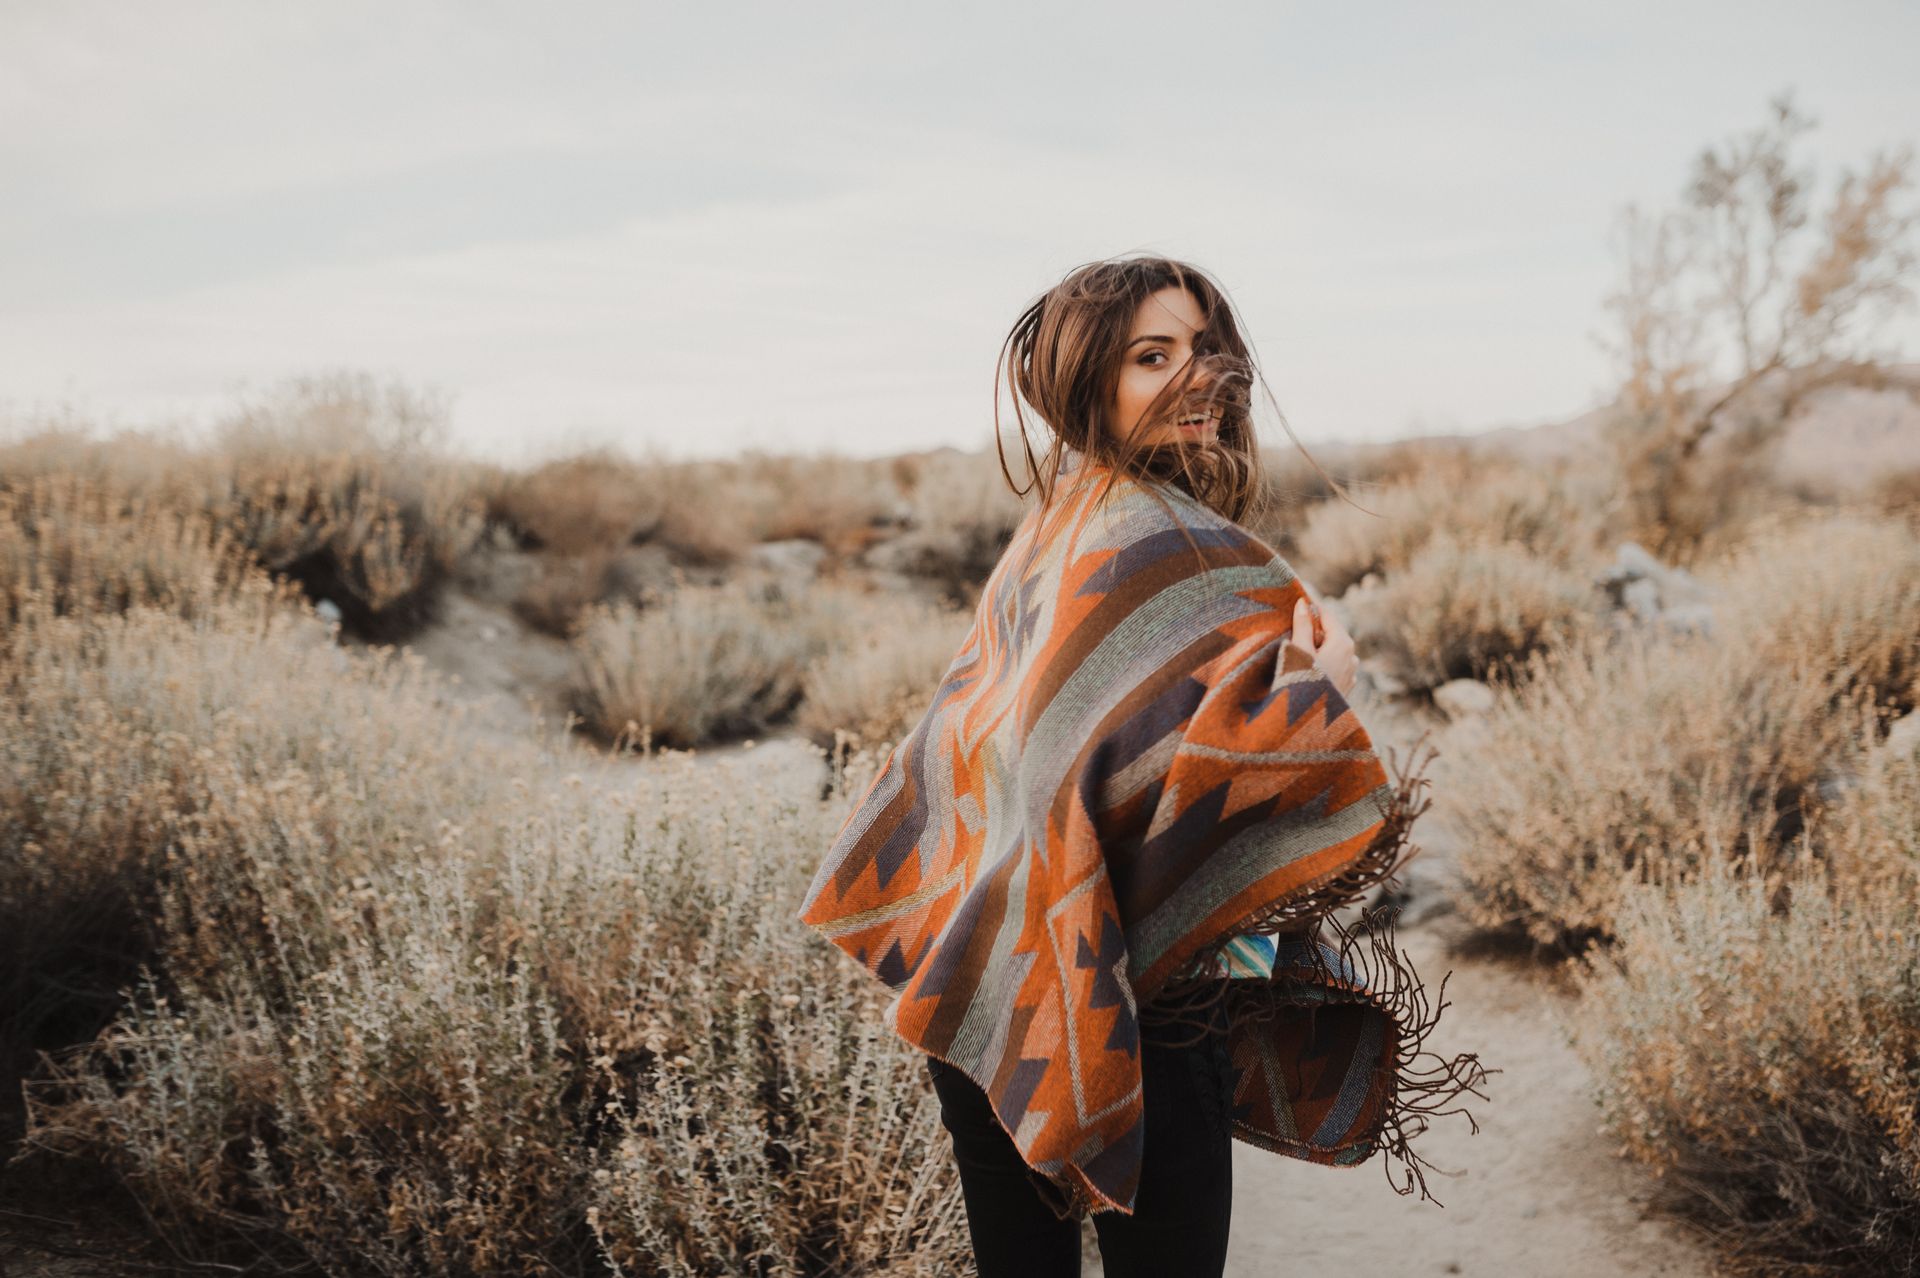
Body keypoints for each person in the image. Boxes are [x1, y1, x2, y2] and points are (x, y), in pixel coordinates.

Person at [798, 255, 1489, 1278]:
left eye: (1206, 348)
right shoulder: (1163, 552)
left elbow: (1037, 769)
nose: (1197, 374)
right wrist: (1324, 688)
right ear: (1087, 380)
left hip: (994, 984)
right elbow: (1200, 788)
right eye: (1153, 355)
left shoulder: (1058, 528)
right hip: (1141, 1008)